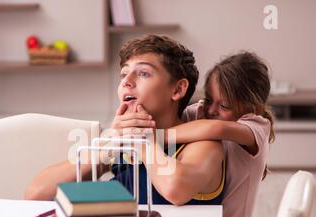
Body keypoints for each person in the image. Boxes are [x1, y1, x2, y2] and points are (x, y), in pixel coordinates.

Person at [25, 34, 226, 207]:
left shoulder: (204, 145)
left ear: (177, 89)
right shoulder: (122, 145)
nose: (127, 81)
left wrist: (145, 141)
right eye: (124, 74)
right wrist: (110, 141)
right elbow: (37, 194)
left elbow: (176, 190)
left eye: (143, 73)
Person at [139, 51, 275, 217]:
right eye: (209, 99)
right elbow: (172, 117)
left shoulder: (257, 127)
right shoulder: (202, 112)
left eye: (223, 105)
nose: (211, 110)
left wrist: (152, 139)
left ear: (251, 107)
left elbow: (217, 128)